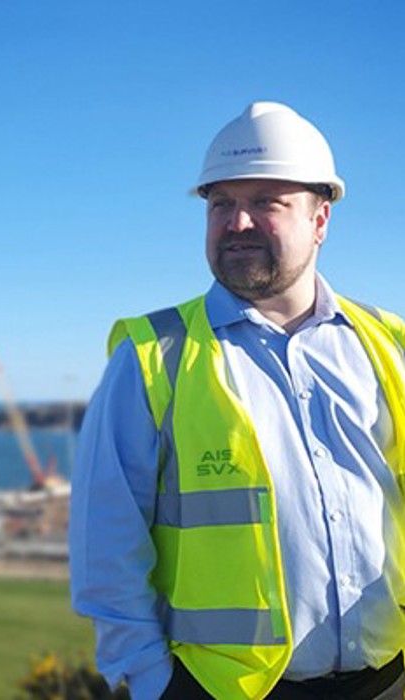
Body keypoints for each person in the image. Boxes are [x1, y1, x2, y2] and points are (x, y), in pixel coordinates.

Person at [68, 101, 405, 700]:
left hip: (385, 681)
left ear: (321, 219)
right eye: (221, 203)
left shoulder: (390, 346)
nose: (237, 223)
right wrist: (152, 685)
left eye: (266, 202)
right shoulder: (153, 357)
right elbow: (106, 546)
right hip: (219, 689)